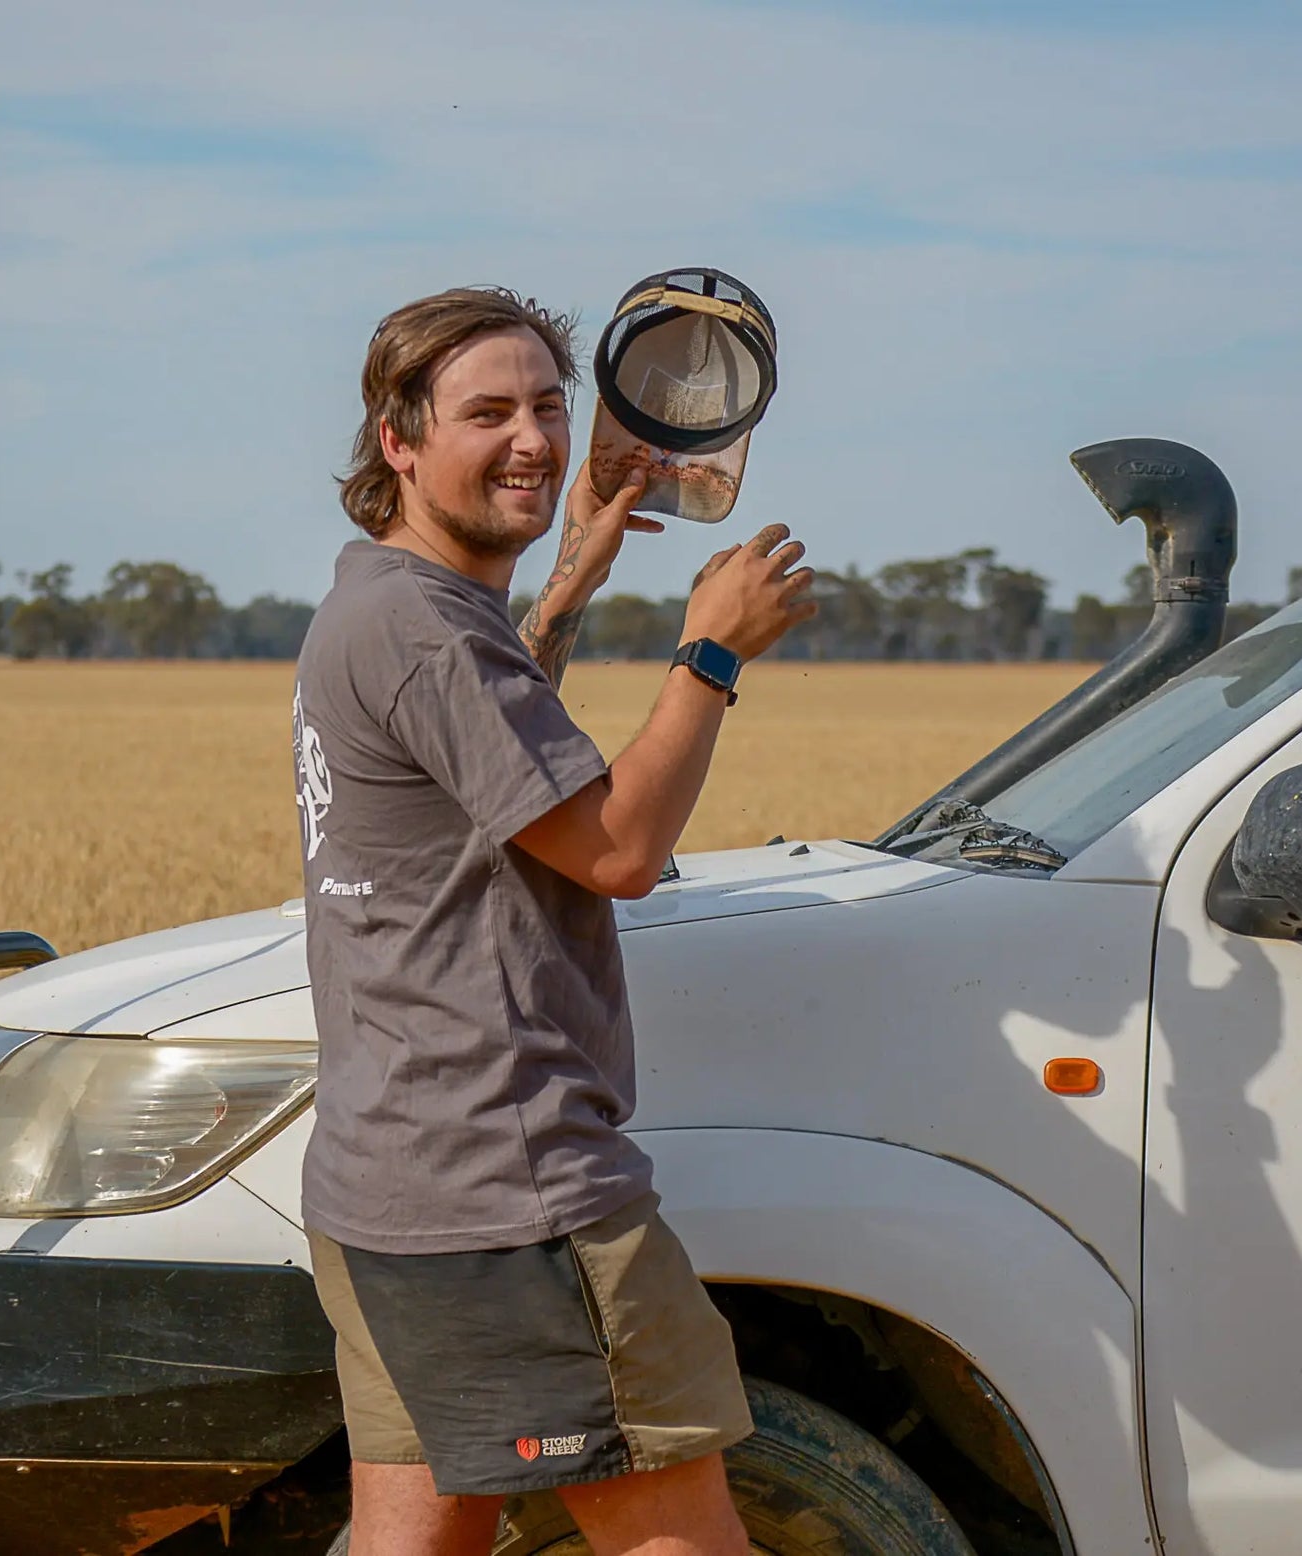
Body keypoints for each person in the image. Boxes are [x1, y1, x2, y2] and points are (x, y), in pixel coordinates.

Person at [293, 285, 816, 1556]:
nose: (531, 438)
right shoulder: (427, 635)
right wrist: (710, 652)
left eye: (545, 404)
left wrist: (573, 572)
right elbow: (618, 848)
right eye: (487, 412)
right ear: (398, 438)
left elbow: (480, 756)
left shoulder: (385, 603)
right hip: (507, 1188)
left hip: (389, 1179)